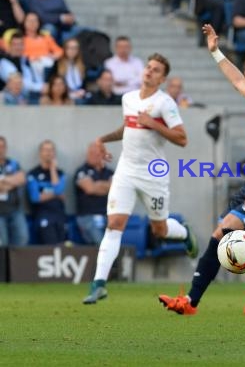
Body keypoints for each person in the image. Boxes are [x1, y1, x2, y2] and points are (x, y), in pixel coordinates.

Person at [158, 25, 245, 316]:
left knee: (226, 231)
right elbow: (235, 78)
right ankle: (196, 301)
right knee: (221, 234)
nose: (242, 81)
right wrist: (214, 51)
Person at [82, 53, 198, 305]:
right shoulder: (128, 98)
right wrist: (102, 139)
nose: (149, 71)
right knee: (114, 225)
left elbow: (182, 138)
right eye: (148, 67)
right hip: (125, 171)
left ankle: (185, 233)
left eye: (155, 70)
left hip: (153, 174)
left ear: (162, 78)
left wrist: (153, 124)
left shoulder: (164, 103)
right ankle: (98, 284)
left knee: (160, 230)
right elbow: (128, 128)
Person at [26, 139, 66, 245]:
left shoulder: (60, 173)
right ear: (40, 153)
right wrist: (56, 194)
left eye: (51, 150)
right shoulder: (33, 173)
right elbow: (35, 197)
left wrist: (53, 168)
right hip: (42, 215)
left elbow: (58, 189)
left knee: (63, 247)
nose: (48, 152)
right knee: (51, 246)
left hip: (59, 215)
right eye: (45, 150)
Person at [74, 142, 114, 245]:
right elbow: (90, 189)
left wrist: (97, 184)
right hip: (87, 216)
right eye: (90, 153)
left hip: (107, 216)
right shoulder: (82, 171)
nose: (93, 156)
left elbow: (115, 189)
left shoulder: (110, 172)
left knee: (114, 241)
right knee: (101, 242)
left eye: (96, 153)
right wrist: (106, 186)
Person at [0, 136, 29, 246]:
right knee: (3, 243)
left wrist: (3, 180)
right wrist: (12, 180)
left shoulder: (13, 163)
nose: (0, 149)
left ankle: (18, 263)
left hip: (15, 209)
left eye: (2, 146)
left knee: (22, 238)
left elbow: (22, 179)